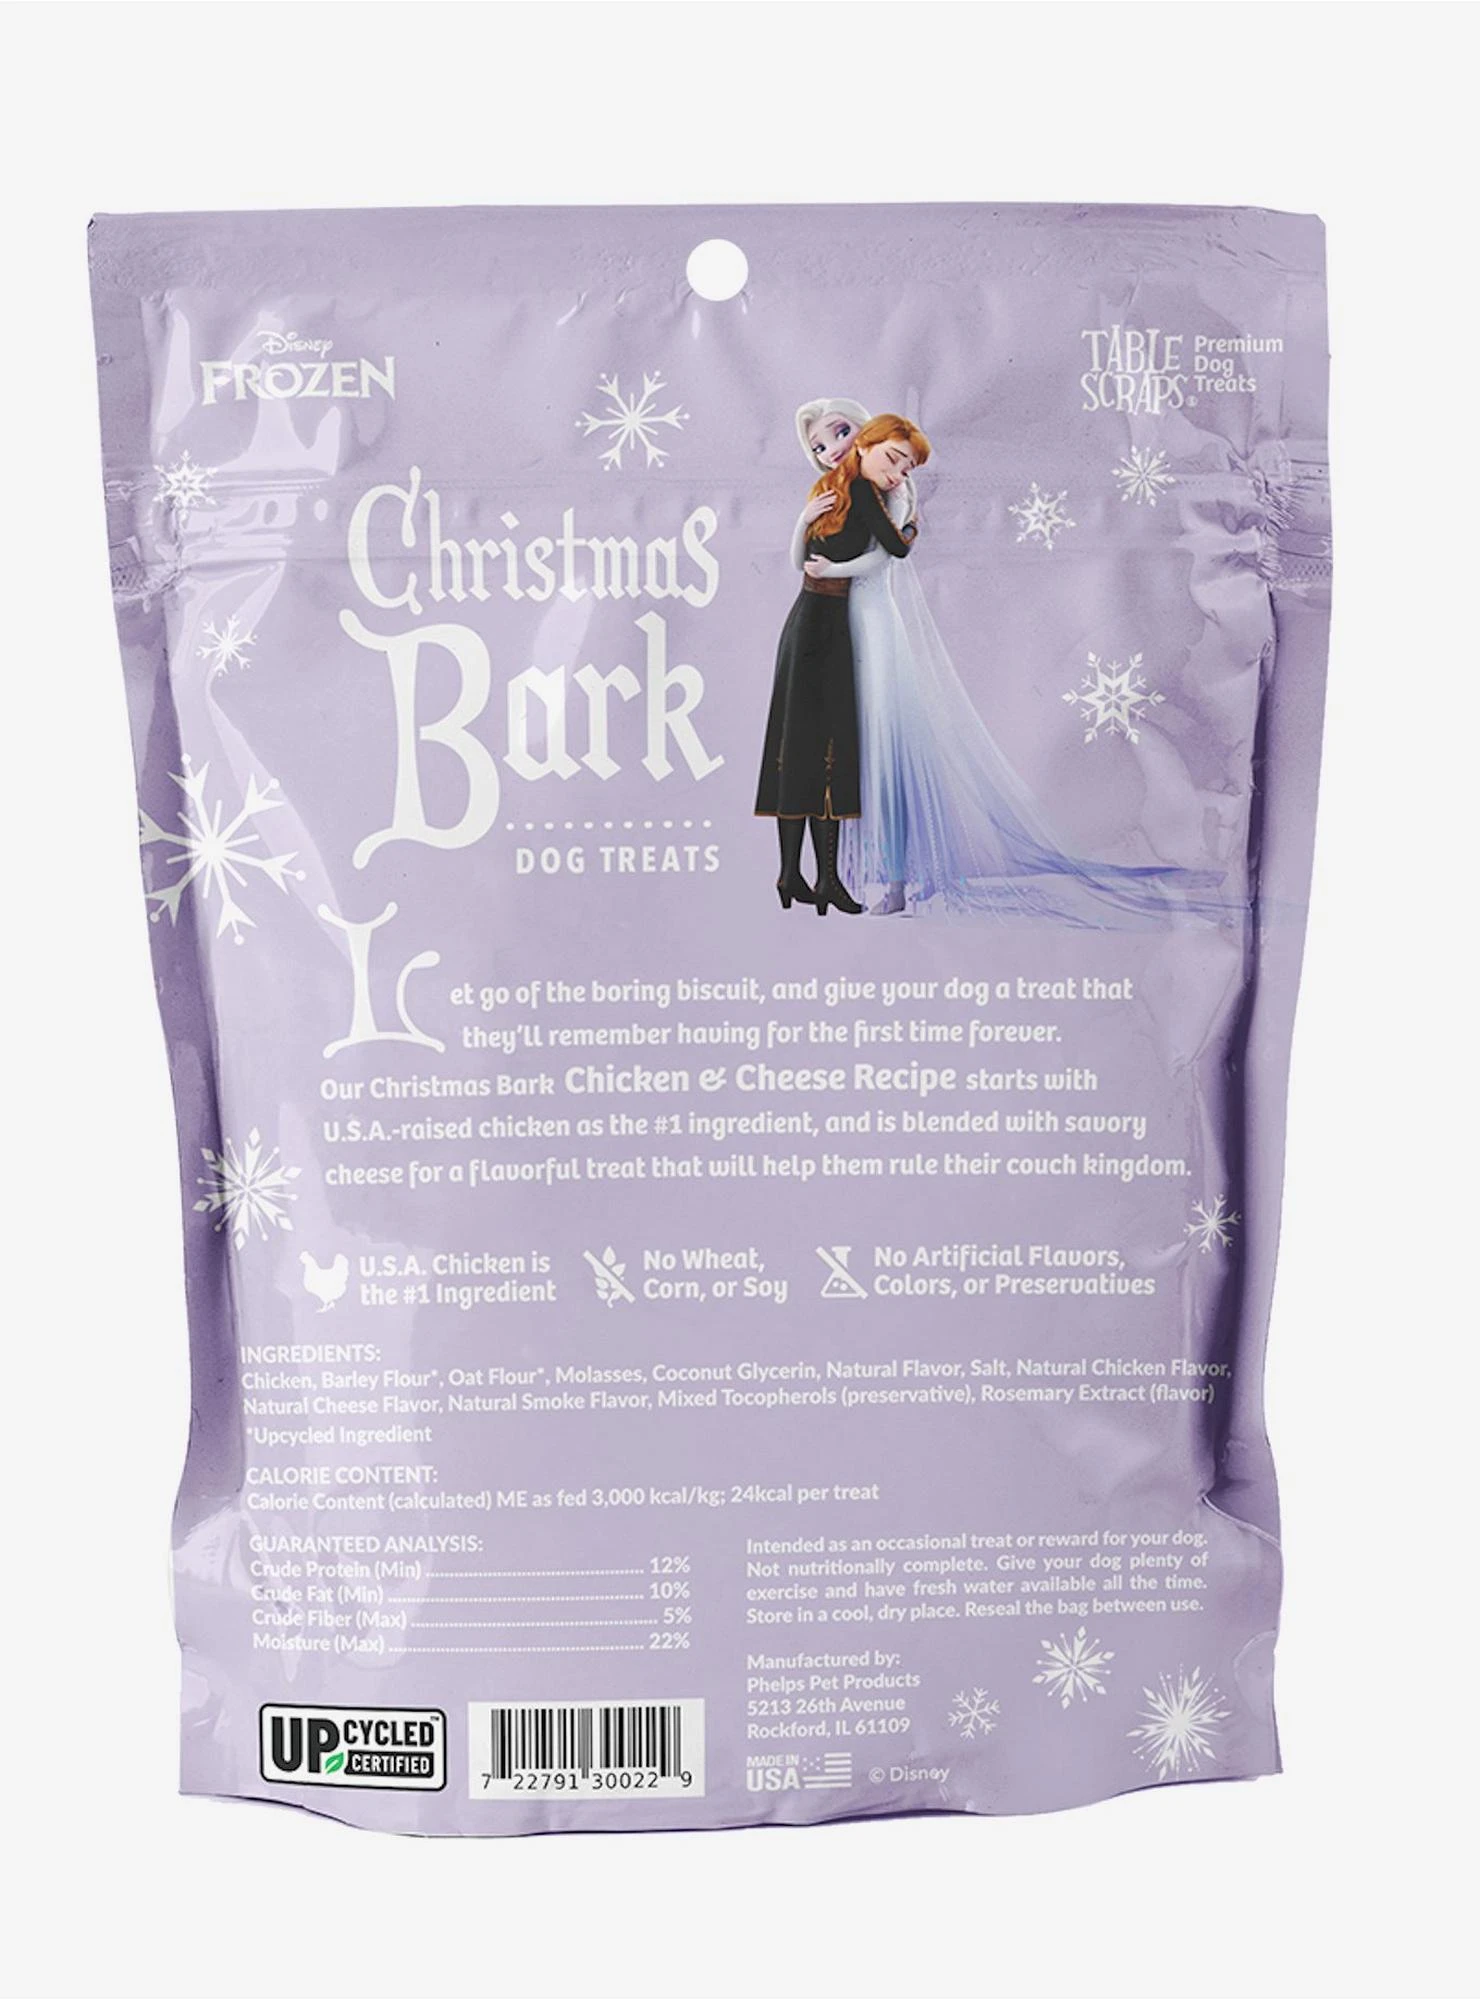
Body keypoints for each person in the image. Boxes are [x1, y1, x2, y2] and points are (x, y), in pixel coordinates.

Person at [754, 415, 926, 915]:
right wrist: (803, 520)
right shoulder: (833, 491)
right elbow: (806, 559)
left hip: (827, 620)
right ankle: (802, 875)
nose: (832, 449)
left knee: (820, 747)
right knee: (806, 744)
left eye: (841, 433)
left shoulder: (869, 493)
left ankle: (814, 877)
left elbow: (888, 551)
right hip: (815, 621)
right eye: (892, 459)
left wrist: (904, 524)